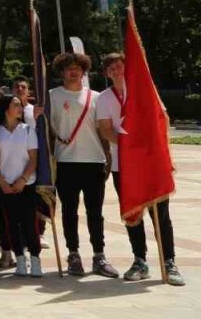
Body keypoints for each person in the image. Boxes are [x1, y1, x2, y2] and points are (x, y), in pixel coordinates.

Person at [96, 51, 183, 285]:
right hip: (123, 165)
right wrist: (130, 148)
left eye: (119, 66)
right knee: (132, 214)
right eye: (111, 68)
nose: (116, 71)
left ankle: (169, 262)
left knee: (161, 215)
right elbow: (105, 129)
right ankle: (140, 261)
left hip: (151, 163)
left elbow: (162, 119)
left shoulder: (145, 91)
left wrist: (156, 151)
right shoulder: (103, 98)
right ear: (106, 73)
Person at [49, 52, 117, 278]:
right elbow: (45, 129)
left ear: (84, 71)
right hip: (66, 162)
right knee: (69, 212)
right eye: (68, 68)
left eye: (78, 67)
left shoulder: (97, 97)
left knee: (95, 213)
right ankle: (74, 255)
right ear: (61, 72)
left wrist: (107, 159)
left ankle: (99, 255)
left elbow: (103, 131)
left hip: (93, 161)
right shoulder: (52, 96)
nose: (73, 71)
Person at [0, 93, 42, 277]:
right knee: (11, 224)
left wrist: (22, 180)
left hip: (26, 184)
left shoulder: (27, 130)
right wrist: (2, 181)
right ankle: (20, 258)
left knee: (30, 223)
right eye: (16, 105)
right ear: (6, 108)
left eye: (20, 105)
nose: (20, 108)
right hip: (4, 185)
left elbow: (33, 158)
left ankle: (35, 259)